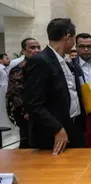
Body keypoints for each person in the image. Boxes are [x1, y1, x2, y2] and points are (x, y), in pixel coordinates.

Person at [24, 18, 86, 155]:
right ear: (68, 37)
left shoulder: (65, 60)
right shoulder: (40, 61)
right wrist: (57, 128)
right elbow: (33, 104)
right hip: (54, 134)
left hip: (74, 126)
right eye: (74, 39)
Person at [6, 38, 41, 148]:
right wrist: (25, 111)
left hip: (41, 111)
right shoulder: (18, 69)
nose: (36, 50)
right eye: (32, 48)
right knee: (28, 143)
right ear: (23, 51)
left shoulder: (42, 66)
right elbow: (15, 93)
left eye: (38, 47)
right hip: (26, 113)